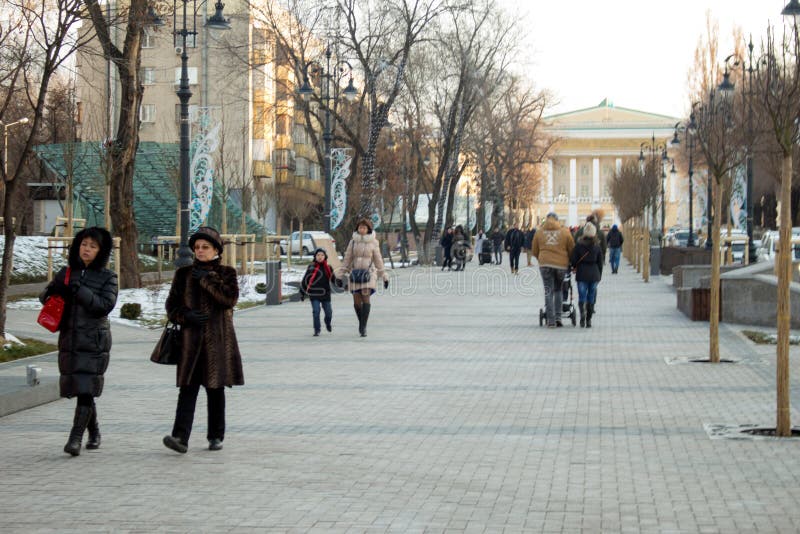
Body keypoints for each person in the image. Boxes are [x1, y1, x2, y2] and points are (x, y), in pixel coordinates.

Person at [163, 226, 244, 454]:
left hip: (217, 341)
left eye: (205, 247)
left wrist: (208, 279)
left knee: (215, 389)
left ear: (216, 250)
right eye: (197, 247)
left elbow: (229, 299)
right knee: (187, 390)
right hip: (190, 342)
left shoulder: (227, 272)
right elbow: (171, 306)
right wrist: (185, 315)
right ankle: (180, 437)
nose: (200, 251)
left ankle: (216, 435)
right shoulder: (183, 274)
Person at [40, 227, 118, 456]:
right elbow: (46, 298)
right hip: (70, 338)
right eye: (84, 244)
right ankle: (94, 432)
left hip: (94, 341)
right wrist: (52, 291)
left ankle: (75, 439)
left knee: (86, 389)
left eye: (93, 246)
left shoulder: (108, 277)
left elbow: (105, 306)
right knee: (82, 386)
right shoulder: (66, 272)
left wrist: (81, 291)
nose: (87, 249)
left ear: (101, 251)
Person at [337, 218, 389, 337]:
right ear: (357, 229)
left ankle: (363, 327)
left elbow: (378, 260)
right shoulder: (353, 242)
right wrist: (340, 276)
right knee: (356, 302)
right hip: (355, 274)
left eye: (364, 228)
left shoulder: (374, 243)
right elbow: (347, 259)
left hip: (369, 274)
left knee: (365, 298)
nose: (362, 229)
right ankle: (362, 321)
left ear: (368, 229)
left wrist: (384, 276)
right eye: (360, 227)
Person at [532, 212, 574, 328]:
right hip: (561, 265)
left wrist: (542, 259)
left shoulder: (539, 232)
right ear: (557, 220)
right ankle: (558, 317)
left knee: (548, 291)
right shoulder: (565, 232)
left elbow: (534, 249)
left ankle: (550, 320)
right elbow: (571, 248)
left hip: (545, 265)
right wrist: (568, 260)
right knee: (558, 290)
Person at [571, 222, 604, 328]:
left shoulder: (578, 245)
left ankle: (582, 316)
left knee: (582, 296)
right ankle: (589, 320)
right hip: (594, 273)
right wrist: (599, 275)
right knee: (591, 296)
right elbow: (600, 262)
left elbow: (573, 260)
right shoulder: (597, 246)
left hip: (581, 273)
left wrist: (574, 266)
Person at [301, 248, 335, 336]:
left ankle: (327, 322)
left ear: (325, 257)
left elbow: (334, 279)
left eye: (322, 255)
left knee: (329, 313)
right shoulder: (311, 267)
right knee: (316, 311)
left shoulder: (329, 268)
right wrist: (302, 292)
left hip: (325, 293)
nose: (320, 257)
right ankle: (317, 329)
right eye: (318, 255)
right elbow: (305, 280)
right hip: (314, 293)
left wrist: (341, 284)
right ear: (315, 257)